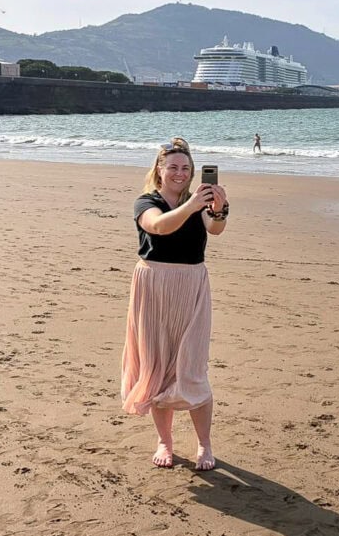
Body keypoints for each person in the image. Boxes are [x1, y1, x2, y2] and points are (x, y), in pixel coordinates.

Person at [121, 137, 229, 471]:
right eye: (173, 167)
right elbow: (158, 226)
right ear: (159, 169)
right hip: (153, 285)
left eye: (186, 168)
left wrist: (218, 208)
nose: (180, 173)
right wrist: (193, 205)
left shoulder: (198, 202)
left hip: (191, 285)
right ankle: (165, 442)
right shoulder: (146, 202)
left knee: (193, 369)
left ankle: (204, 444)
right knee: (158, 368)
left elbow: (216, 229)